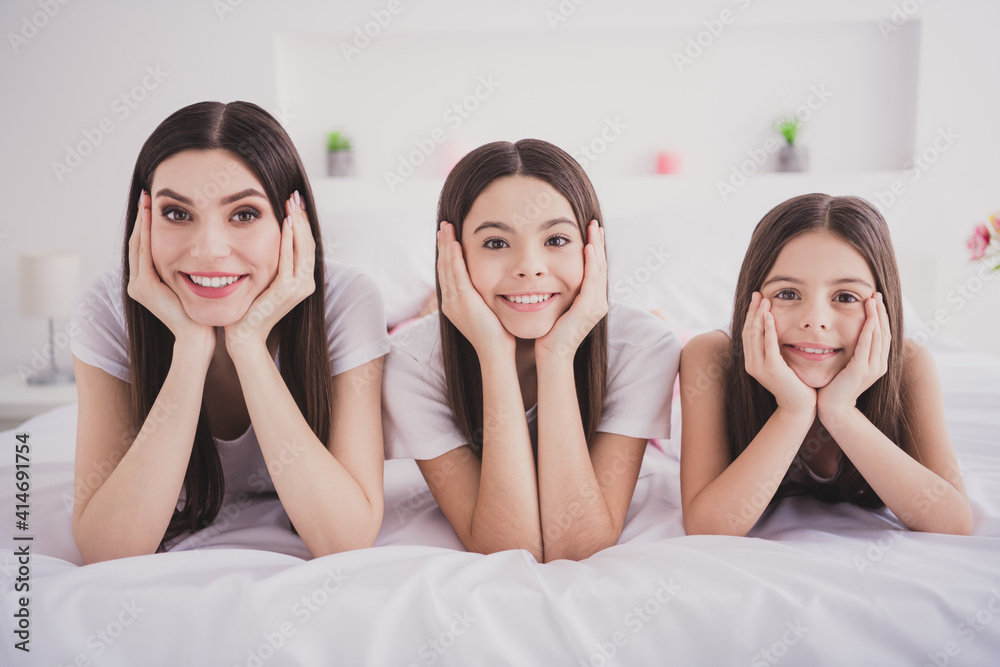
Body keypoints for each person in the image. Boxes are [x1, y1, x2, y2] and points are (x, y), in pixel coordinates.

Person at [70, 101, 388, 563]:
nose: (208, 250)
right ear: (144, 222)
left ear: (291, 221)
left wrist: (248, 343)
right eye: (177, 214)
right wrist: (190, 348)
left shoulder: (346, 300)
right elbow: (109, 552)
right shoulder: (108, 308)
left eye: (243, 214)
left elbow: (344, 541)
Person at [382, 139, 680, 562]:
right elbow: (509, 546)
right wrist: (492, 353)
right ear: (453, 255)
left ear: (591, 249)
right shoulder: (409, 362)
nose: (529, 266)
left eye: (556, 240)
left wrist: (557, 355)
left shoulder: (644, 346)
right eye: (496, 243)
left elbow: (578, 544)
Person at [679, 193, 972, 536]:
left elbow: (952, 523)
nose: (815, 321)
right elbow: (708, 528)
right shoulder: (712, 359)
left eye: (845, 297)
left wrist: (841, 411)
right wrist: (793, 411)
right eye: (788, 293)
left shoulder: (910, 365)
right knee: (671, 338)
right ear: (751, 297)